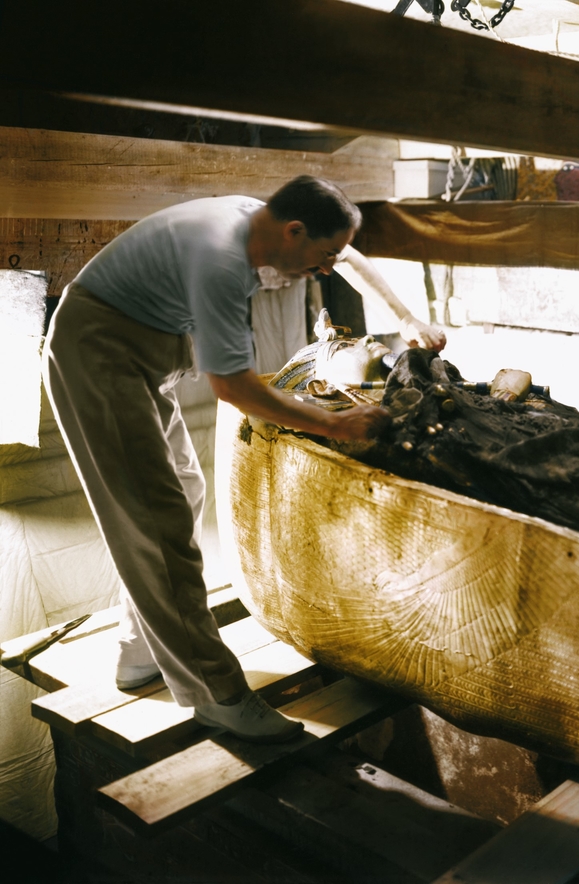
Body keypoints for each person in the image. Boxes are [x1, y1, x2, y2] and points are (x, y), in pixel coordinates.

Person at [41, 176, 419, 743]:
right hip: (99, 353)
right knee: (156, 520)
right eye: (319, 257)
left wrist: (406, 317)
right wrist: (334, 423)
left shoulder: (257, 222)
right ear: (294, 231)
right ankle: (218, 694)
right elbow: (236, 389)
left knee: (184, 490)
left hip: (139, 357)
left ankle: (140, 647)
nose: (321, 271)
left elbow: (347, 257)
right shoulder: (222, 259)